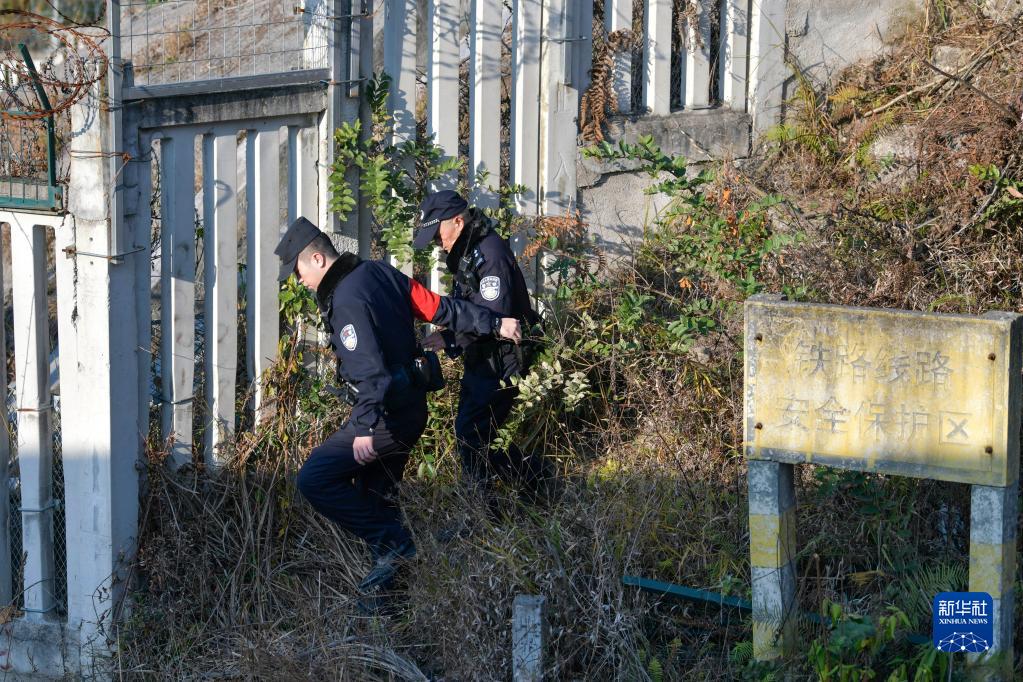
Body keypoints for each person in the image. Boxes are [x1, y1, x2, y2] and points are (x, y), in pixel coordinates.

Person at [275, 216, 522, 604]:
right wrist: (492, 321)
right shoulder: (378, 272)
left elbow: (371, 373)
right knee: (376, 497)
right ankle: (393, 602)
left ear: (318, 260)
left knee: (314, 479)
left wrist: (363, 428)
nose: (298, 280)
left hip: (385, 419)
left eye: (298, 270)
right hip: (411, 412)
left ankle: (398, 547)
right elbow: (439, 307)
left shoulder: (346, 299)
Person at [412, 190, 550, 510]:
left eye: (438, 234)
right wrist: (449, 336)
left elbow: (493, 319)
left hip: (501, 359)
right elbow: (473, 309)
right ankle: (533, 482)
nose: (437, 243)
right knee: (478, 435)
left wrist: (452, 340)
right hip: (483, 356)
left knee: (472, 434)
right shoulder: (469, 251)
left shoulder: (489, 253)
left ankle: (489, 507)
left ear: (458, 222)